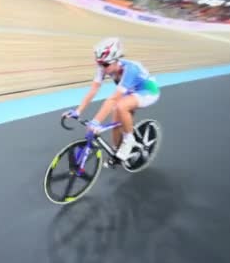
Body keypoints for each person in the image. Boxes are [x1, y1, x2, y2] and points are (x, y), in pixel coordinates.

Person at [62, 37, 160, 167]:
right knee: (116, 116)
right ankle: (116, 150)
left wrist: (96, 122)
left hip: (148, 91)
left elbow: (113, 98)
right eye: (99, 64)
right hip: (131, 90)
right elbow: (93, 90)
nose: (102, 67)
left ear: (116, 61)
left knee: (120, 106)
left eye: (105, 65)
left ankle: (128, 140)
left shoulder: (130, 69)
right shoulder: (104, 65)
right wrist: (78, 111)